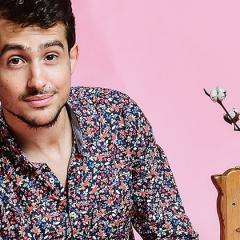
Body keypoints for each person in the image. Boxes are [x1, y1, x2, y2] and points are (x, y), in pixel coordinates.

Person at [0, 0, 199, 239]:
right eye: (16, 60)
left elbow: (172, 231)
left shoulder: (118, 118)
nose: (37, 81)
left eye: (50, 56)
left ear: (71, 58)